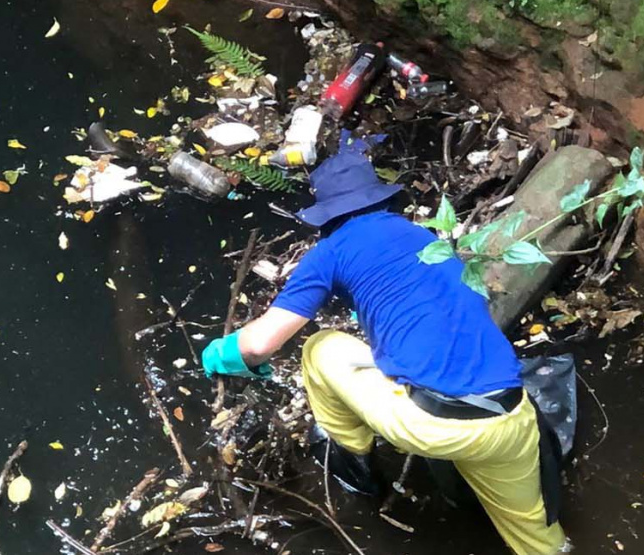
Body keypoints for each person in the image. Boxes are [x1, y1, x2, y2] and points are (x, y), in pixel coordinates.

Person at [201, 139, 569, 555]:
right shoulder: (422, 235)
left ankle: (355, 466)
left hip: (434, 426)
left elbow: (261, 344)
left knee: (320, 349)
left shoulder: (330, 252)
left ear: (328, 216)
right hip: (512, 415)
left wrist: (219, 354)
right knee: (538, 539)